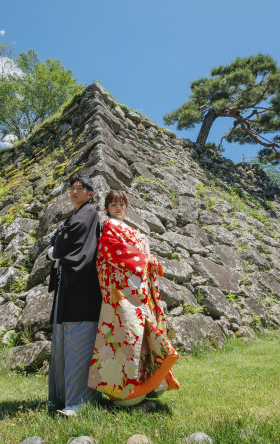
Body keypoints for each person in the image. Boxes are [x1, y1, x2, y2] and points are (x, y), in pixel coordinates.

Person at [88, 190, 180, 406]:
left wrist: (148, 260)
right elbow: (110, 250)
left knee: (141, 340)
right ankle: (124, 395)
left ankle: (144, 389)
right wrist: (144, 259)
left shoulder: (129, 229)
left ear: (127, 208)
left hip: (137, 291)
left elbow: (138, 255)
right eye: (113, 205)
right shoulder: (109, 227)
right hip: (122, 295)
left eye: (121, 204)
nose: (118, 208)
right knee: (126, 340)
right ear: (107, 208)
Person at [47, 174, 103, 417]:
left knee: (79, 341)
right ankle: (64, 397)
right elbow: (59, 239)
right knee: (67, 341)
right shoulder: (78, 215)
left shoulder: (88, 214)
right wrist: (57, 245)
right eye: (72, 188)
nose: (74, 191)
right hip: (70, 285)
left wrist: (55, 251)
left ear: (90, 193)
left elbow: (61, 243)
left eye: (80, 188)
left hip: (82, 288)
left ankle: (79, 402)